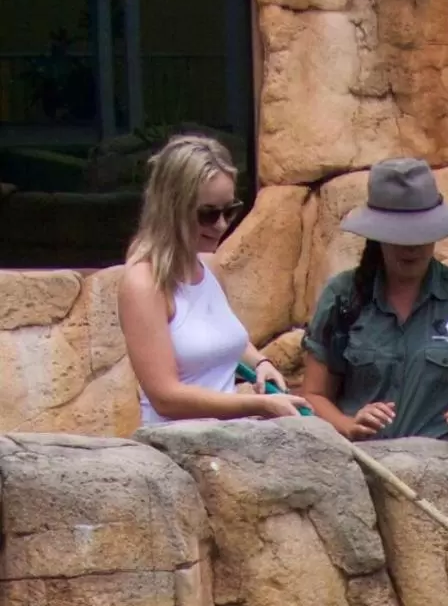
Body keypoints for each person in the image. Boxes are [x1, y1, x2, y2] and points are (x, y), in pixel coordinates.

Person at [301, 158, 448, 445]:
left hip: (444, 467)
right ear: (378, 236)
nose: (412, 246)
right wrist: (347, 425)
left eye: (422, 233)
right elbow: (312, 397)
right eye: (400, 235)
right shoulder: (342, 296)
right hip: (363, 466)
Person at [119, 134, 309, 425]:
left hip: (227, 440)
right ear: (173, 208)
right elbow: (165, 396)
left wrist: (261, 362)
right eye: (208, 214)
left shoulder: (209, 266)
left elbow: (222, 337)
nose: (221, 225)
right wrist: (259, 404)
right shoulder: (144, 283)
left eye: (230, 211)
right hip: (176, 447)